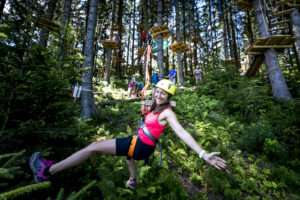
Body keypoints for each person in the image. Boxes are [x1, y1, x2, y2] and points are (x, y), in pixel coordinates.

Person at [29, 79, 227, 189]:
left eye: (163, 94)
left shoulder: (167, 112)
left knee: (93, 148)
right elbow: (150, 119)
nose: (158, 95)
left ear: (169, 97)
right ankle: (132, 181)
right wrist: (146, 109)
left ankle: (47, 171)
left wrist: (203, 154)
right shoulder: (156, 106)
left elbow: (182, 132)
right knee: (129, 158)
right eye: (157, 91)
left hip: (141, 144)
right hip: (141, 146)